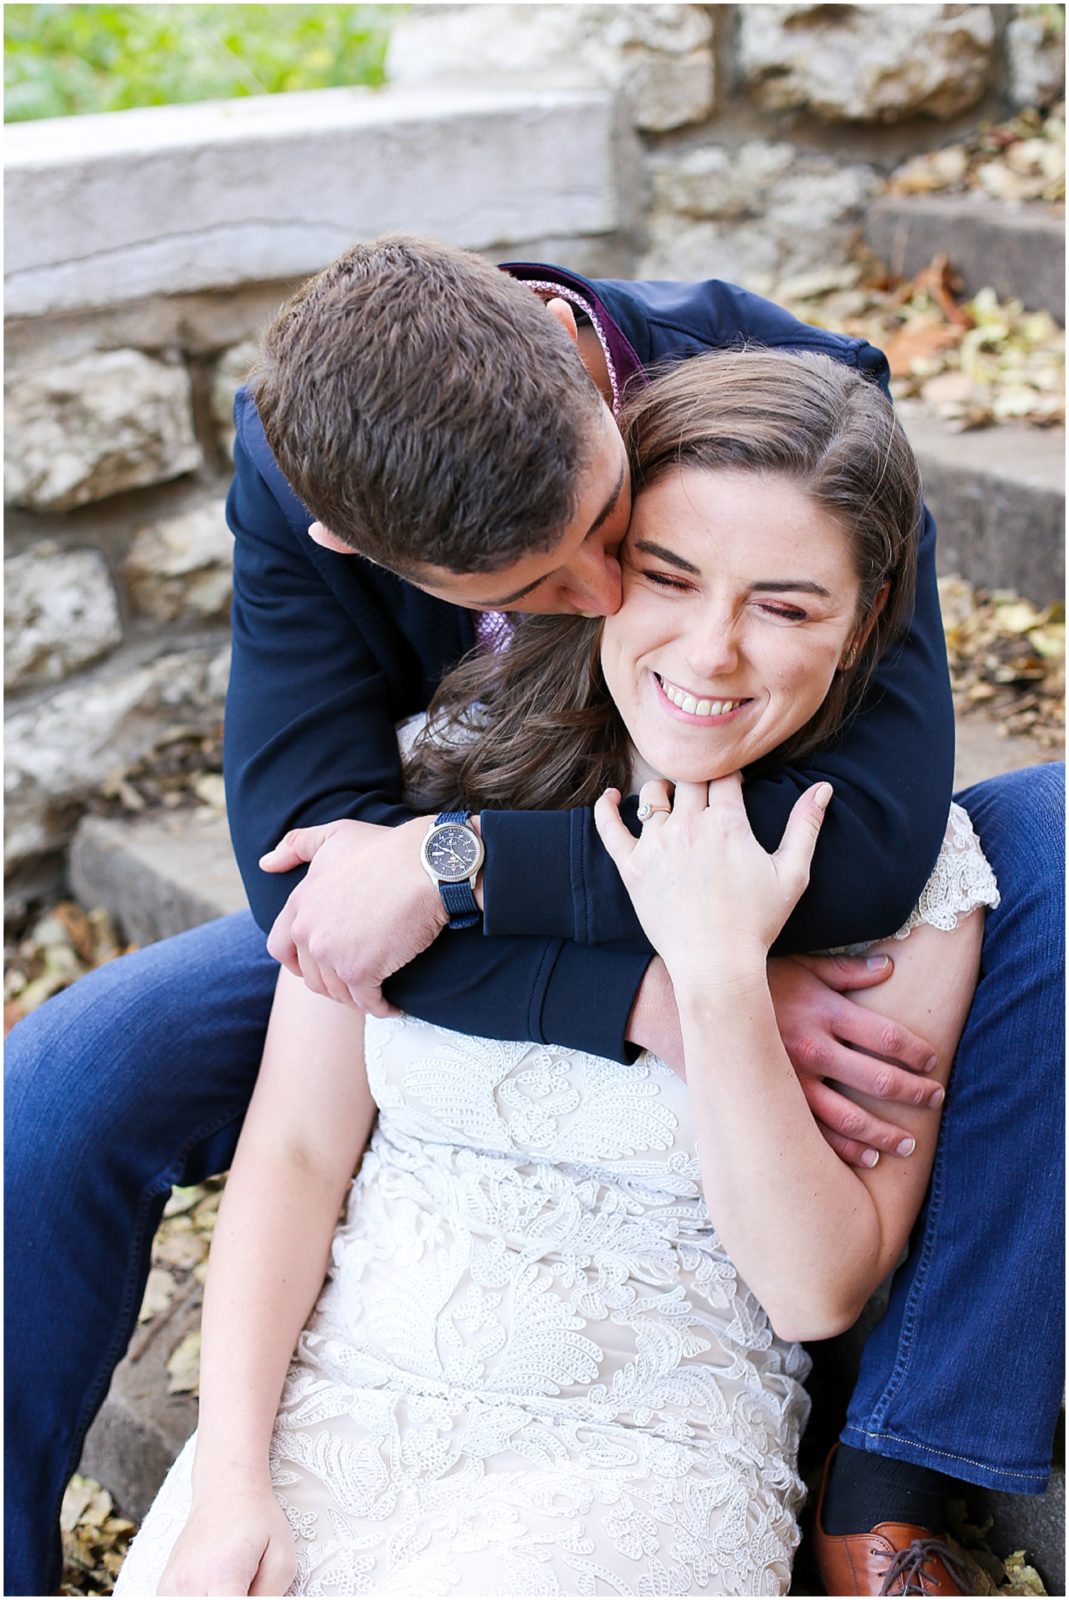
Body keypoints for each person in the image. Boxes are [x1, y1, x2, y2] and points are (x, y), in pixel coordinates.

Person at [4, 238, 1062, 1599]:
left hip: (704, 867)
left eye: (616, 529)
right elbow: (300, 883)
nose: (616, 600)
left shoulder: (788, 403)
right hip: (491, 835)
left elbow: (859, 865)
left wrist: (476, 875)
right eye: (533, 589)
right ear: (355, 539)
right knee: (59, 1083)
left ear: (599, 398)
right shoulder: (307, 470)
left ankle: (893, 1477)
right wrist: (630, 994)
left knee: (1055, 838)